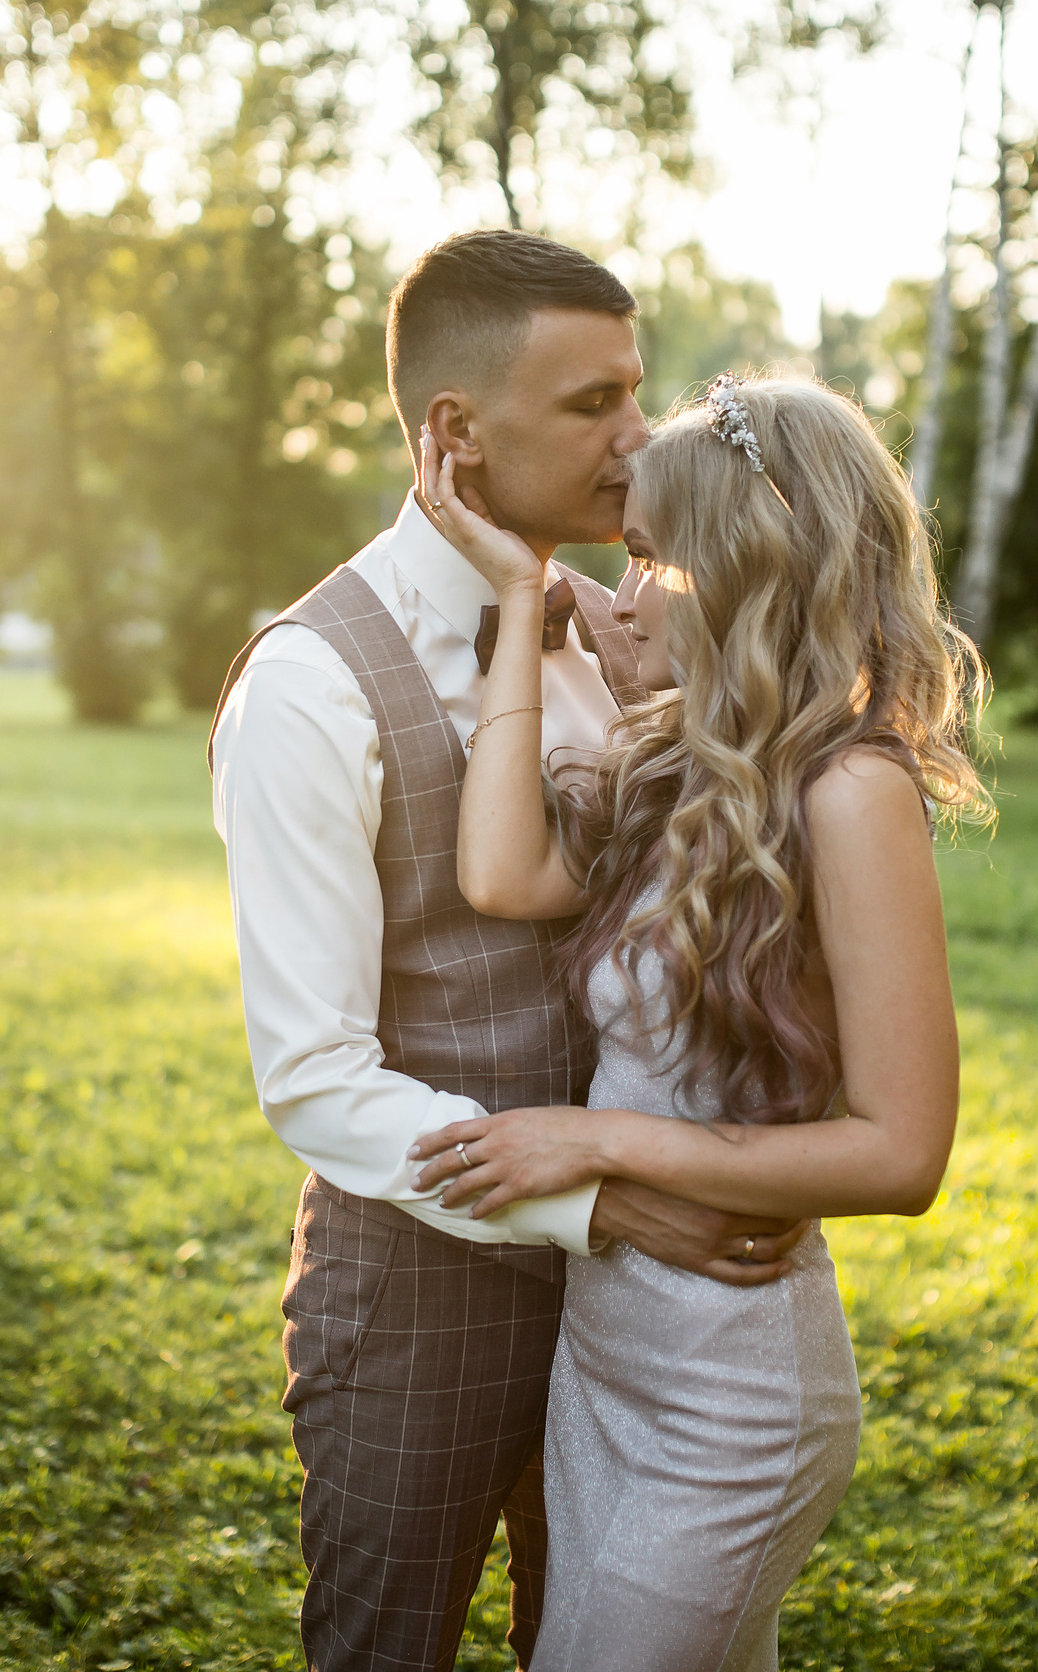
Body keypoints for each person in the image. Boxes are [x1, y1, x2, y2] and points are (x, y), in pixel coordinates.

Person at [208, 232, 811, 1672]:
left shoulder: (620, 639)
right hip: (421, 1303)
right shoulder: (309, 686)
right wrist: (606, 1205)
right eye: (593, 403)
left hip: (650, 1317)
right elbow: (315, 1079)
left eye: (637, 392)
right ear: (456, 432)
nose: (638, 437)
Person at [406, 370, 990, 1670]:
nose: (618, 599)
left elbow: (903, 1155)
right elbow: (502, 873)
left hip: (735, 1395)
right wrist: (520, 604)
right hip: (605, 1364)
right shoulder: (683, 768)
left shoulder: (851, 792)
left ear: (744, 566)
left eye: (651, 561)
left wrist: (595, 1141)